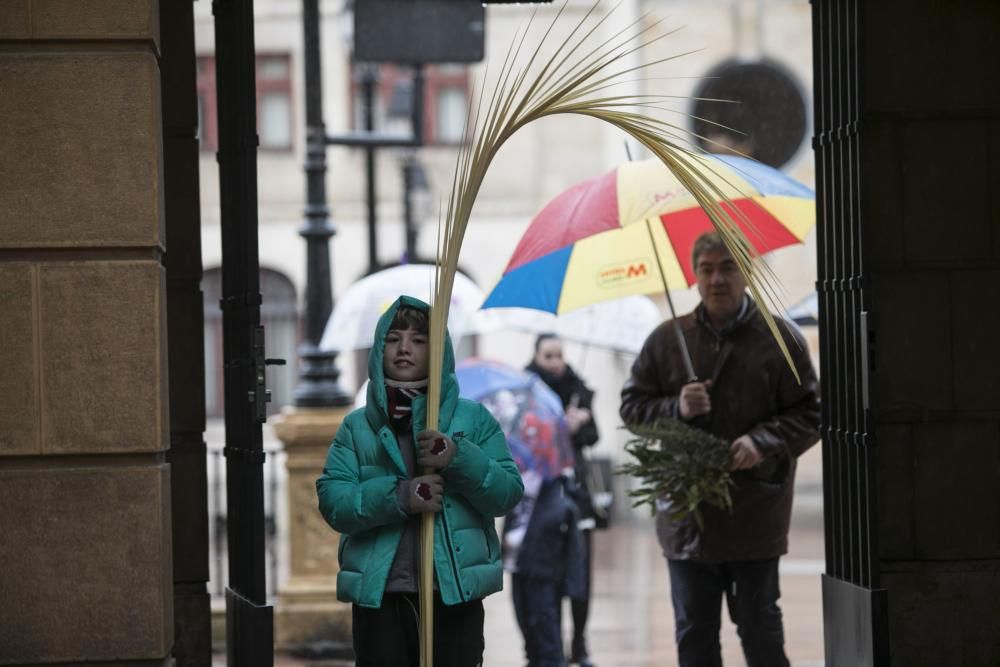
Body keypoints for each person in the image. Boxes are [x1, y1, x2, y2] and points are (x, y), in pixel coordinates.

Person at [619, 232, 821, 667]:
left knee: (761, 629)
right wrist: (677, 406)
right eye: (707, 268)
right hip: (687, 521)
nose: (717, 279)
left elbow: (812, 413)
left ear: (747, 273)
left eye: (728, 267)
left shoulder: (780, 339)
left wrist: (761, 442)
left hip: (755, 514)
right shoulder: (666, 340)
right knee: (694, 636)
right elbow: (633, 409)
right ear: (695, 276)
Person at [316, 296, 525, 667]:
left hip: (452, 594)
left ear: (438, 349)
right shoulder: (358, 426)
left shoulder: (472, 419)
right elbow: (336, 502)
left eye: (418, 340)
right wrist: (400, 496)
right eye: (393, 339)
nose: (404, 349)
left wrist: (459, 458)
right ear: (379, 348)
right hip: (382, 598)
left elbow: (506, 494)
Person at [526, 334, 600, 667]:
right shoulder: (526, 390)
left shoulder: (578, 388)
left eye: (559, 354)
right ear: (537, 357)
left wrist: (580, 423)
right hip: (539, 494)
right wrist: (553, 427)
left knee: (580, 570)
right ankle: (546, 644)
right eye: (548, 355)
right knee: (543, 574)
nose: (555, 361)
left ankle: (579, 643)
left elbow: (593, 436)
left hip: (576, 492)